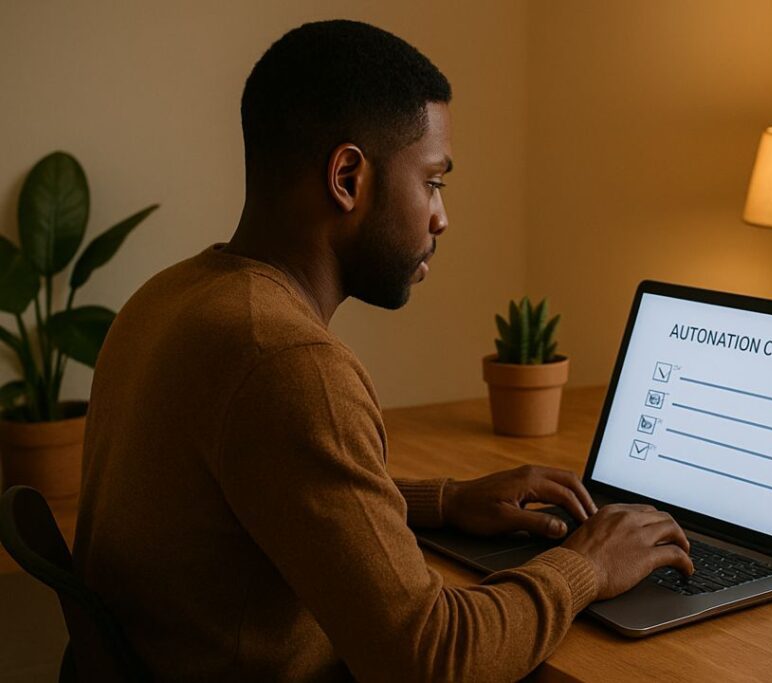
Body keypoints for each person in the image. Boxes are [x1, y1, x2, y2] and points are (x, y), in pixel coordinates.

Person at [73, 19, 693, 682]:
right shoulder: (288, 360)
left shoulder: (168, 300)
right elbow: (430, 659)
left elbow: (269, 490)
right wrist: (588, 564)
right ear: (347, 178)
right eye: (432, 182)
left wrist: (445, 501)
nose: (440, 217)